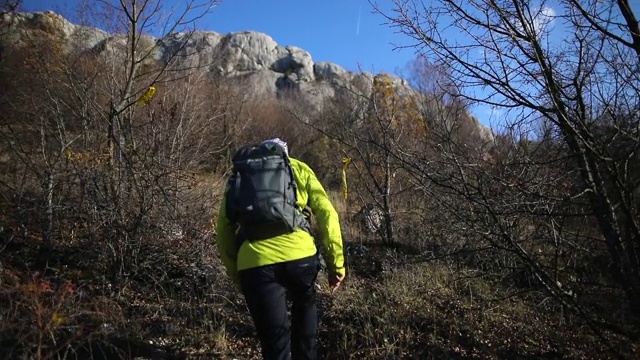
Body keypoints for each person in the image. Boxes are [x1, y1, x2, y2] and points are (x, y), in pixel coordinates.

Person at [215, 138, 346, 360]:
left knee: (274, 345)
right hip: (300, 259)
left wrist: (238, 275)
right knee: (305, 312)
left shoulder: (242, 176)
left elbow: (223, 231)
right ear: (284, 154)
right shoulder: (298, 168)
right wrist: (337, 264)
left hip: (255, 264)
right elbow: (328, 214)